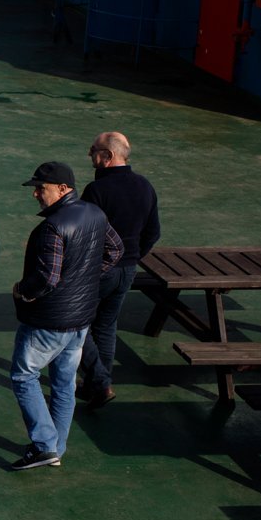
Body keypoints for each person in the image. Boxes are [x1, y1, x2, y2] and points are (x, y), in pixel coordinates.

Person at [7, 161, 124, 470]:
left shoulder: (53, 227)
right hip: (80, 321)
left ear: (63, 189)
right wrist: (84, 277)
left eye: (40, 188)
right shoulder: (95, 214)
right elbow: (115, 250)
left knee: (23, 376)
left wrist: (21, 290)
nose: (35, 194)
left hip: (49, 321)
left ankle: (45, 446)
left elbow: (46, 279)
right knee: (64, 384)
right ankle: (56, 447)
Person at [77, 131, 160, 408]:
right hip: (127, 270)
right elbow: (153, 232)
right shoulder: (145, 186)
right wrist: (132, 257)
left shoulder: (97, 191)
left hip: (99, 270)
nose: (90, 153)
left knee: (76, 325)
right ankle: (98, 384)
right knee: (106, 326)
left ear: (108, 156)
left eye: (93, 149)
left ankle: (99, 382)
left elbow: (85, 235)